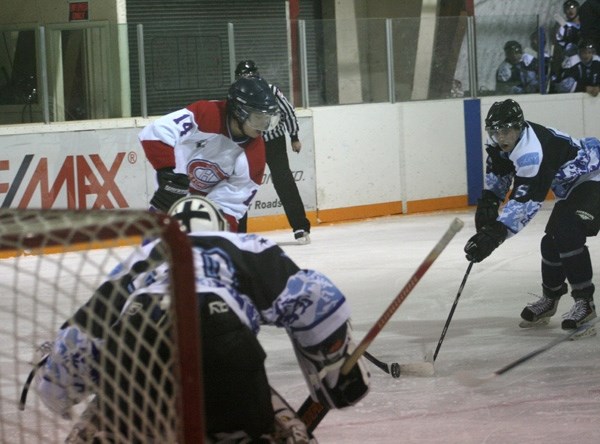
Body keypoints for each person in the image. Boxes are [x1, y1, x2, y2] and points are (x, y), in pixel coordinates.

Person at [31, 196, 370, 442]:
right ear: (222, 227)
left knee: (106, 415)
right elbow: (314, 298)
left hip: (136, 347)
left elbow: (72, 356)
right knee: (273, 428)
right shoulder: (243, 245)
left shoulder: (137, 263)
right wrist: (334, 369)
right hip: (225, 344)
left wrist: (53, 383)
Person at [464, 99, 600, 333]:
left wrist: (495, 236)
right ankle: (551, 298)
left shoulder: (531, 152)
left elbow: (525, 204)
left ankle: (585, 302)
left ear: (520, 127)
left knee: (566, 231)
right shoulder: (498, 143)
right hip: (572, 186)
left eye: (506, 130)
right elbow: (499, 175)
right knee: (551, 242)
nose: (501, 137)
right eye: (495, 131)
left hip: (594, 176)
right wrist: (489, 204)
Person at [138, 75, 280, 232]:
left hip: (206, 203)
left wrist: (220, 234)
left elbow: (231, 205)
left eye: (269, 120)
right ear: (239, 112)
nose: (264, 127)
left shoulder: (254, 156)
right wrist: (166, 172)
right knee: (157, 245)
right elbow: (156, 132)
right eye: (258, 119)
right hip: (175, 186)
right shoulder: (207, 114)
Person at [234, 60, 312, 244]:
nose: (249, 79)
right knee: (241, 186)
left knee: (284, 182)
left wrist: (294, 136)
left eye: (251, 75)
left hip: (273, 141)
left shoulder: (271, 90)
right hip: (249, 144)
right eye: (245, 76)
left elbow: (288, 112)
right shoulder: (237, 93)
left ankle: (300, 227)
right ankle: (238, 234)